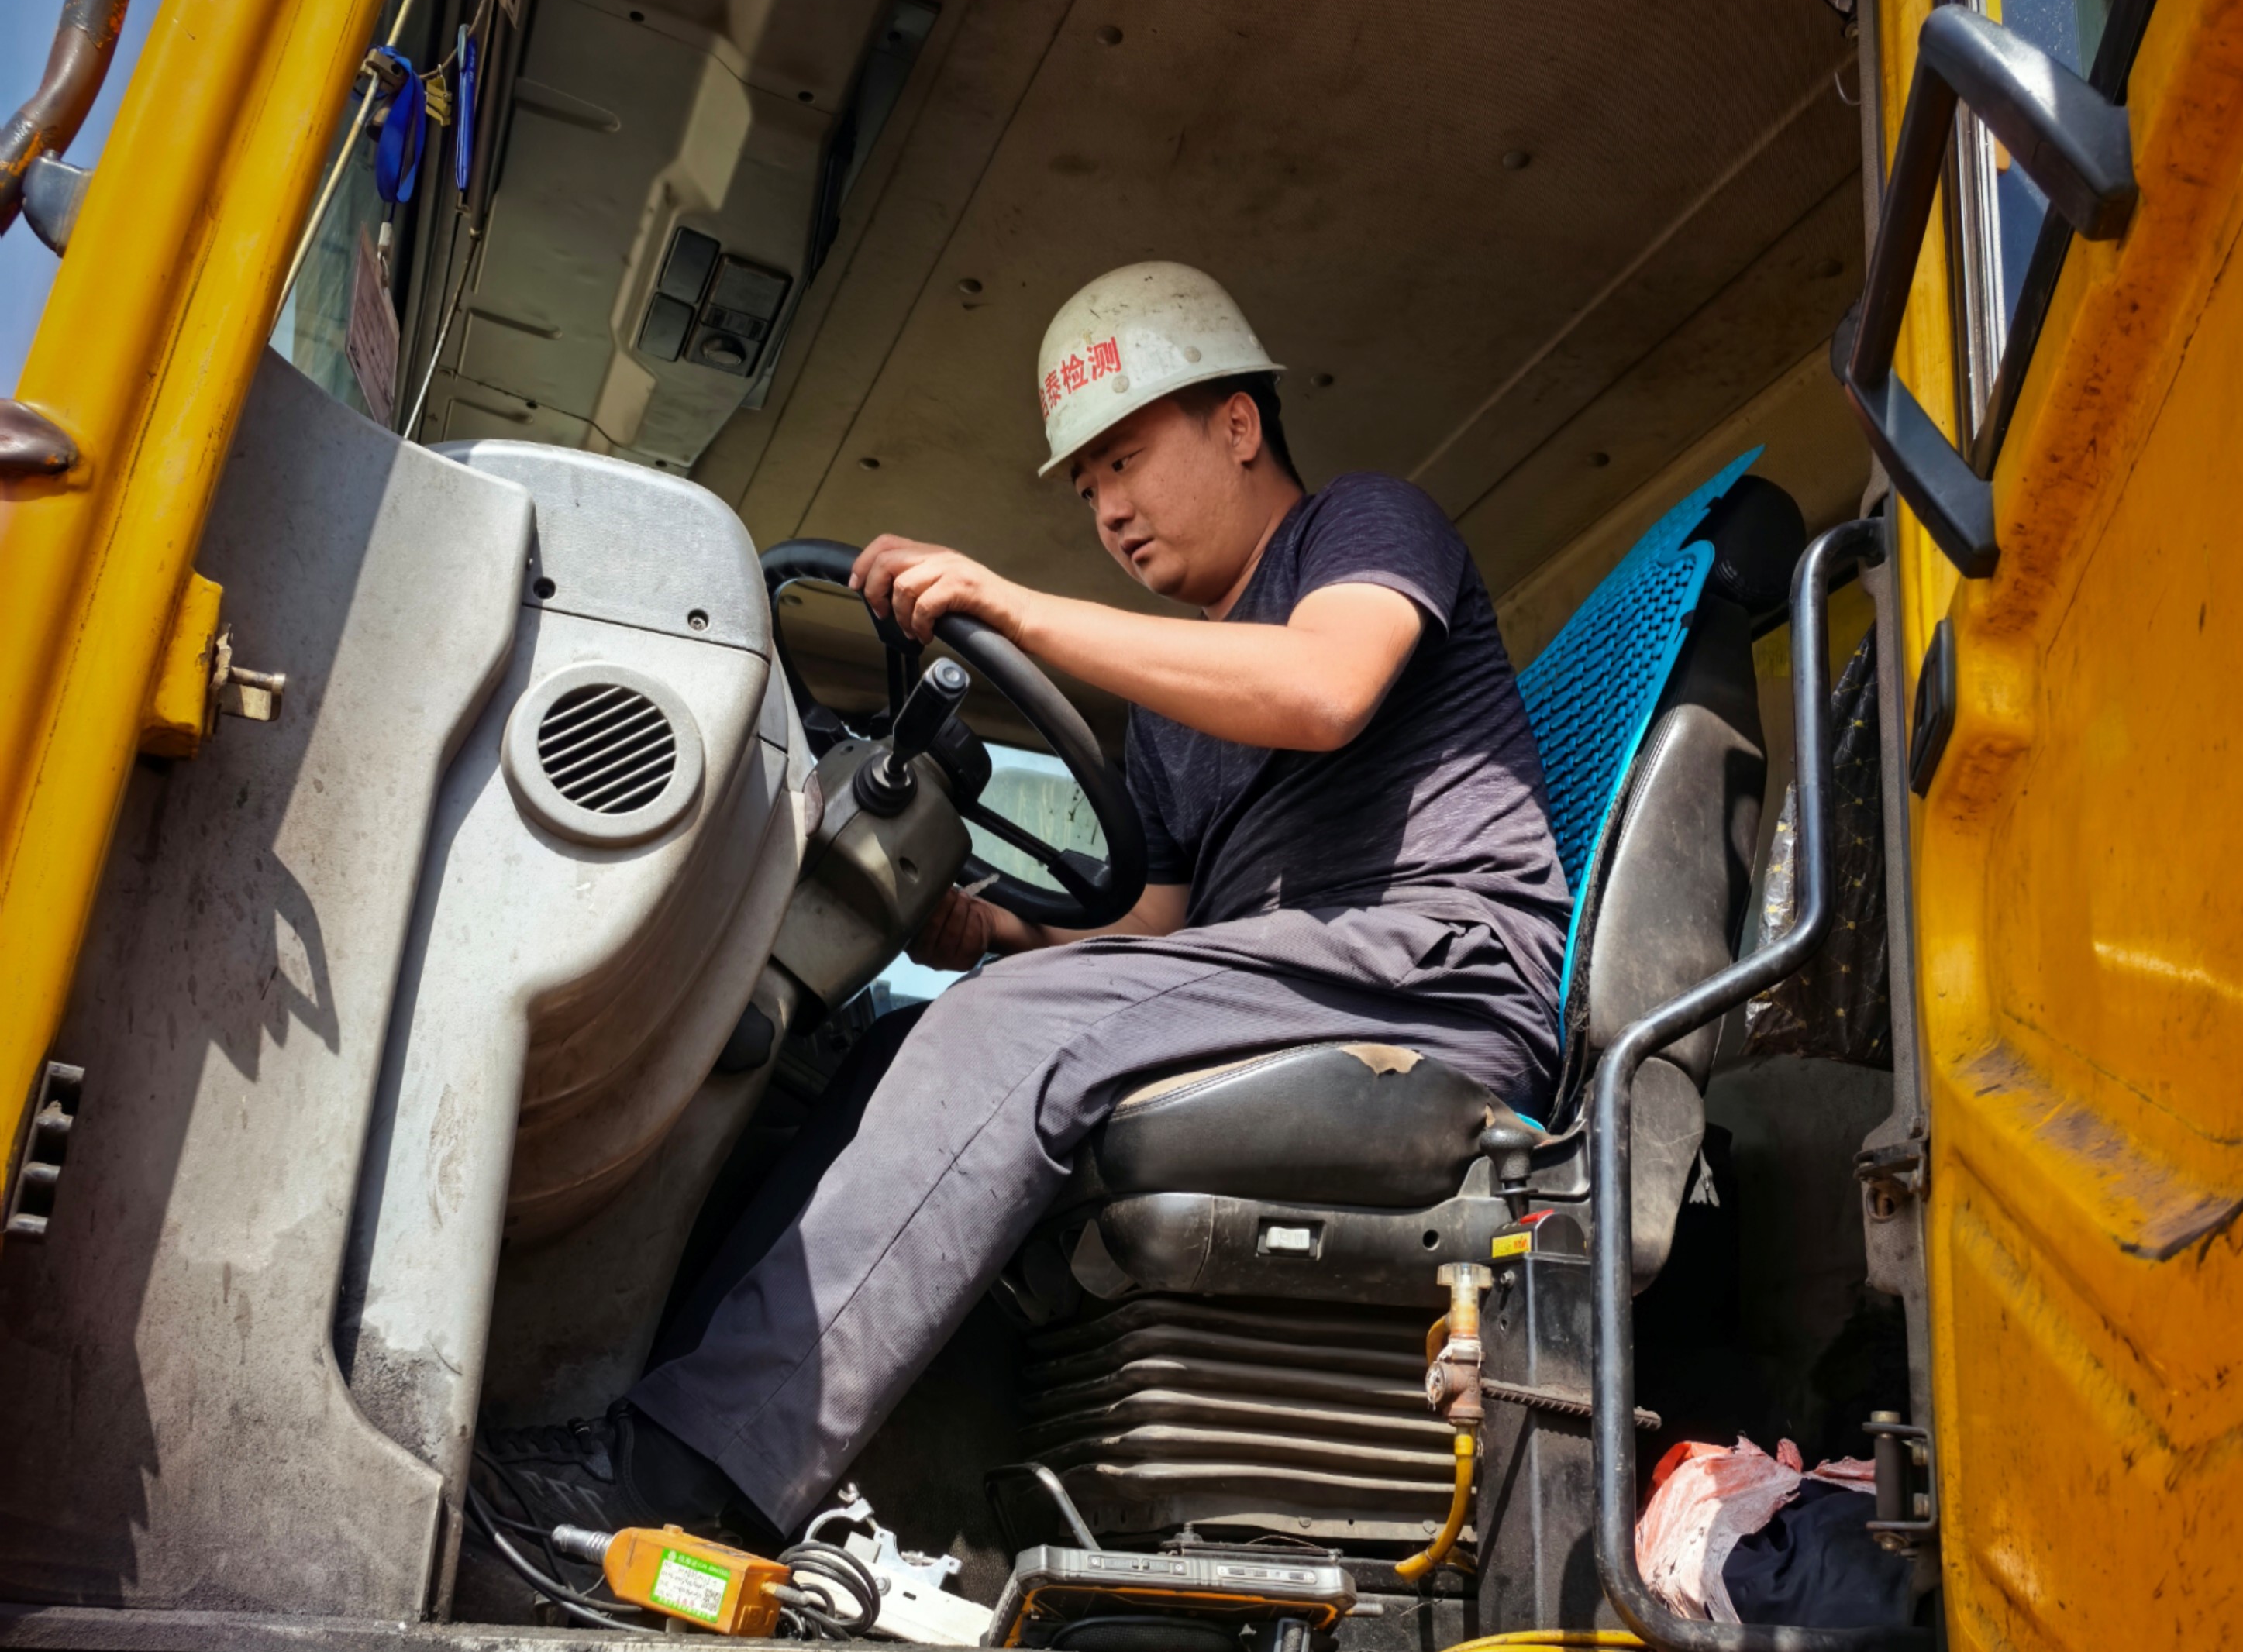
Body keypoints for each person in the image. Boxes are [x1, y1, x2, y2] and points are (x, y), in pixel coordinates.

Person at [477, 260, 1570, 1545]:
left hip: (1433, 970)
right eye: (1088, 486)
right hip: (1302, 973)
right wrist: (995, 927)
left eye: (1124, 460)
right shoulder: (1174, 710)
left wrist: (1012, 605)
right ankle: (621, 1415)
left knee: (1005, 1030)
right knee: (897, 1037)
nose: (1109, 510)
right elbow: (1160, 924)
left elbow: (1324, 688)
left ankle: (679, 1487)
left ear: (1237, 424)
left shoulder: (1364, 526)